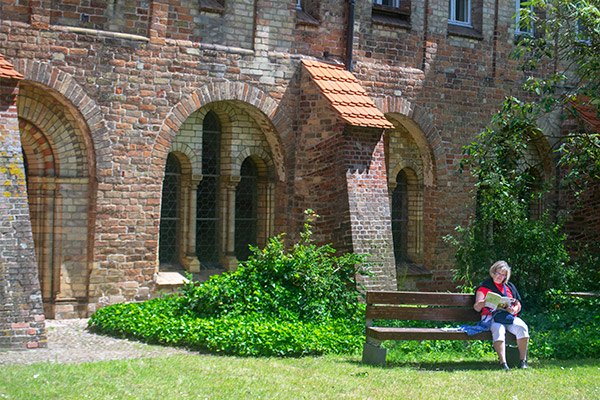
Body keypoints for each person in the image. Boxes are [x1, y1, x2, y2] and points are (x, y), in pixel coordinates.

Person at [473, 260, 529, 371]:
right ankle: (503, 363)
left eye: (503, 275)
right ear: (493, 272)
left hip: (507, 316)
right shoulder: (484, 286)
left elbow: (518, 303)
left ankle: (523, 361)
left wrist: (514, 309)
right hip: (491, 317)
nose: (500, 277)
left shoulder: (509, 286)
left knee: (522, 328)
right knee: (499, 329)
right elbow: (476, 307)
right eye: (498, 274)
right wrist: (485, 302)